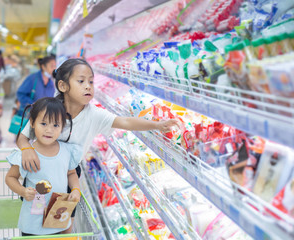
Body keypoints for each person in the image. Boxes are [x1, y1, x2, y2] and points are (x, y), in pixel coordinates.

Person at [16, 58, 179, 233]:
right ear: (63, 86)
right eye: (81, 81)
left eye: (91, 82)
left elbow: (125, 121)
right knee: (34, 222)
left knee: (62, 225)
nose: (88, 86)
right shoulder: (48, 111)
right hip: (41, 176)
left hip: (68, 176)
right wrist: (26, 150)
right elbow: (22, 137)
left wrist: (157, 125)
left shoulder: (94, 115)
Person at [5, 97, 81, 236]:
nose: (49, 130)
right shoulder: (26, 154)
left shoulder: (67, 151)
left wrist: (76, 189)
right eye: (44, 123)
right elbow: (10, 177)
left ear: (63, 126)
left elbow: (71, 174)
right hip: (33, 224)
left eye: (55, 125)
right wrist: (22, 191)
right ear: (32, 123)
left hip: (58, 218)